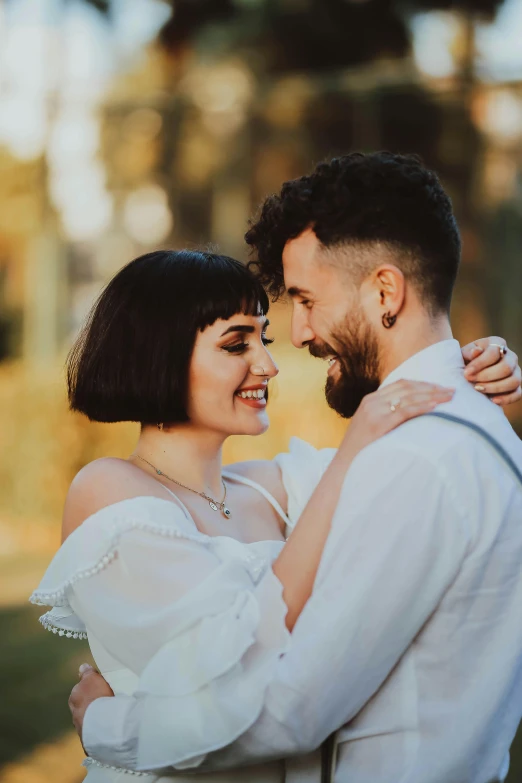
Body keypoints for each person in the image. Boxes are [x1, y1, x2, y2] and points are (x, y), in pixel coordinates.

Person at [66, 153, 522, 783]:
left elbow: (289, 707)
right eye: (236, 343)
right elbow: (221, 668)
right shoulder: (113, 491)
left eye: (297, 306)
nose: (284, 351)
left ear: (386, 292)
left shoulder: (297, 483)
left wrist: (105, 726)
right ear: (160, 356)